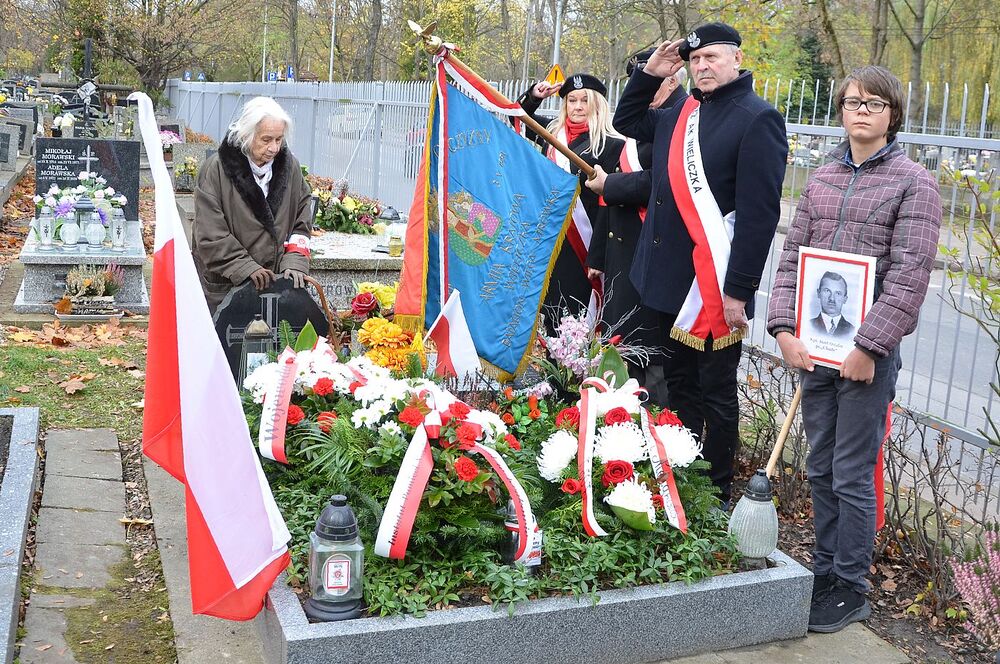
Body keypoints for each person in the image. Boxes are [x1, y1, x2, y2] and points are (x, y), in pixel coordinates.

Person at [766, 65, 942, 633]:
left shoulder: (915, 183)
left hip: (866, 359)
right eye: (850, 102)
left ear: (892, 113)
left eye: (873, 103)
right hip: (814, 349)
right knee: (819, 466)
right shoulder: (821, 181)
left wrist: (870, 346)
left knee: (850, 472)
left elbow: (911, 275)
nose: (860, 111)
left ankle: (850, 583)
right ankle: (822, 569)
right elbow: (794, 258)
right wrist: (784, 328)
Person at [613, 23, 789, 505]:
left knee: (716, 391)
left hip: (712, 287)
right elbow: (627, 121)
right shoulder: (680, 113)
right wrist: (651, 74)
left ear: (736, 58)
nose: (703, 66)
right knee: (676, 384)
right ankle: (681, 473)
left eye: (712, 56)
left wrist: (739, 289)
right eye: (695, 60)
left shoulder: (758, 119)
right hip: (664, 280)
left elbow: (758, 217)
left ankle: (714, 490)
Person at [584, 52, 688, 402]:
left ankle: (653, 427)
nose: (640, 91)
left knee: (649, 356)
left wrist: (610, 186)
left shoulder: (681, 116)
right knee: (623, 349)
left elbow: (661, 179)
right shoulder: (647, 120)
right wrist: (598, 253)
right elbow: (608, 200)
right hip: (621, 252)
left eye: (648, 83)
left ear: (671, 81)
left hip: (651, 248)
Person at [516, 74, 624, 324]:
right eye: (571, 100)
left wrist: (597, 255)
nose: (577, 106)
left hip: (586, 244)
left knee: (581, 315)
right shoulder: (552, 134)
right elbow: (517, 118)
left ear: (597, 104)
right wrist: (534, 96)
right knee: (554, 313)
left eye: (584, 100)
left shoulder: (612, 144)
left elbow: (609, 204)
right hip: (552, 241)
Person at [193, 96, 313, 314]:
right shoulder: (215, 170)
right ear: (247, 135)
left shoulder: (291, 168)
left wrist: (295, 259)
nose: (274, 148)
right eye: (266, 139)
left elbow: (302, 219)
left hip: (276, 286)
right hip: (227, 285)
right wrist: (245, 267)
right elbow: (210, 233)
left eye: (279, 139)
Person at [809, 271, 855, 337]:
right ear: (818, 293)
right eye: (827, 291)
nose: (832, 298)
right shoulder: (806, 325)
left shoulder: (853, 331)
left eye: (838, 293)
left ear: (845, 299)